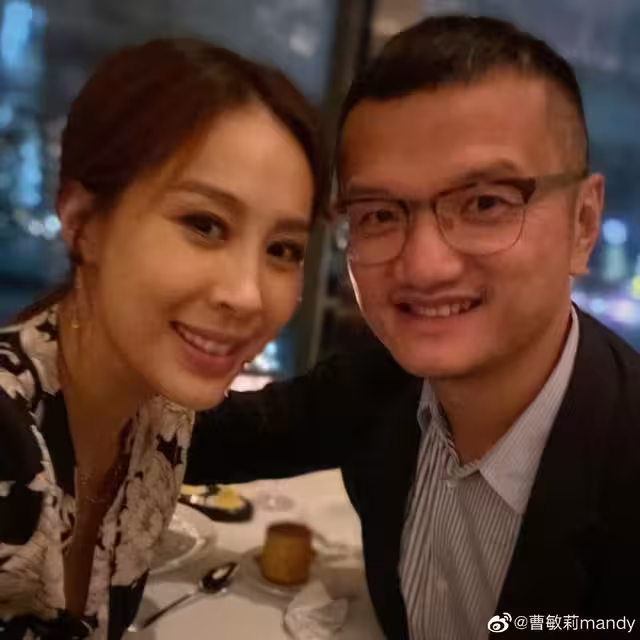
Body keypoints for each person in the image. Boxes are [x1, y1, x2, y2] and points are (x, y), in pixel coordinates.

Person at [187, 15, 640, 640]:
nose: (423, 267)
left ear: (583, 224)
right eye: (378, 214)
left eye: (485, 203)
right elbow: (223, 438)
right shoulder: (380, 379)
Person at [0, 39, 326, 640]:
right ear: (83, 222)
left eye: (283, 249)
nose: (249, 295)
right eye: (204, 224)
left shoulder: (162, 417)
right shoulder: (6, 438)